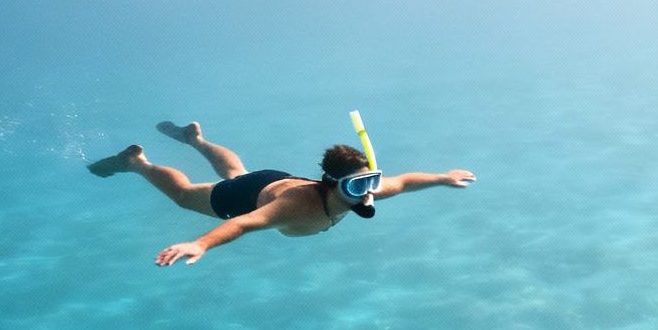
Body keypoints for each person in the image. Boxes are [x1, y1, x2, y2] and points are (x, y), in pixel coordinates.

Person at [88, 120, 476, 266]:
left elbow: (405, 181)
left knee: (237, 171)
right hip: (252, 196)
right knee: (188, 195)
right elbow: (243, 224)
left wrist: (443, 177)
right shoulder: (295, 207)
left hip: (270, 181)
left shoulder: (365, 191)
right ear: (331, 184)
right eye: (358, 186)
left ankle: (196, 139)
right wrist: (201, 245)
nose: (368, 195)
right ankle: (137, 163)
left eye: (371, 182)